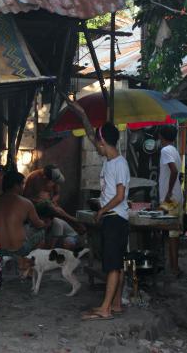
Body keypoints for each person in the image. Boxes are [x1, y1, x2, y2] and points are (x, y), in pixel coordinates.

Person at [67, 115, 130, 321]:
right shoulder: (109, 161)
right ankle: (117, 304)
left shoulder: (119, 164)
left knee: (112, 266)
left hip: (114, 218)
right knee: (117, 263)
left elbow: (120, 196)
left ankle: (105, 309)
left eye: (98, 144)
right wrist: (82, 115)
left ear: (104, 142)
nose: (96, 147)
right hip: (114, 217)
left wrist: (102, 210)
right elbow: (93, 137)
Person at [23, 165, 85, 249]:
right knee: (53, 209)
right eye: (50, 181)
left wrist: (53, 201)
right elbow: (26, 198)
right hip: (35, 206)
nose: (52, 183)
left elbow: (57, 194)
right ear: (45, 177)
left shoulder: (55, 179)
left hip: (50, 205)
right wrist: (39, 200)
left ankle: (75, 223)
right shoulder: (33, 178)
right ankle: (74, 221)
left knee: (56, 210)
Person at [0, 171, 46, 257]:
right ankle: (30, 262)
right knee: (42, 232)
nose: (23, 187)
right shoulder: (26, 202)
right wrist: (44, 223)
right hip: (20, 250)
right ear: (16, 185)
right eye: (22, 184)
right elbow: (38, 224)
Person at [158, 125, 184, 277]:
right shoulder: (174, 150)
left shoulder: (165, 150)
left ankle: (174, 268)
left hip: (171, 198)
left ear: (161, 136)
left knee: (172, 233)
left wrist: (167, 193)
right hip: (174, 196)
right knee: (173, 233)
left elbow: (173, 171)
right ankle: (173, 266)